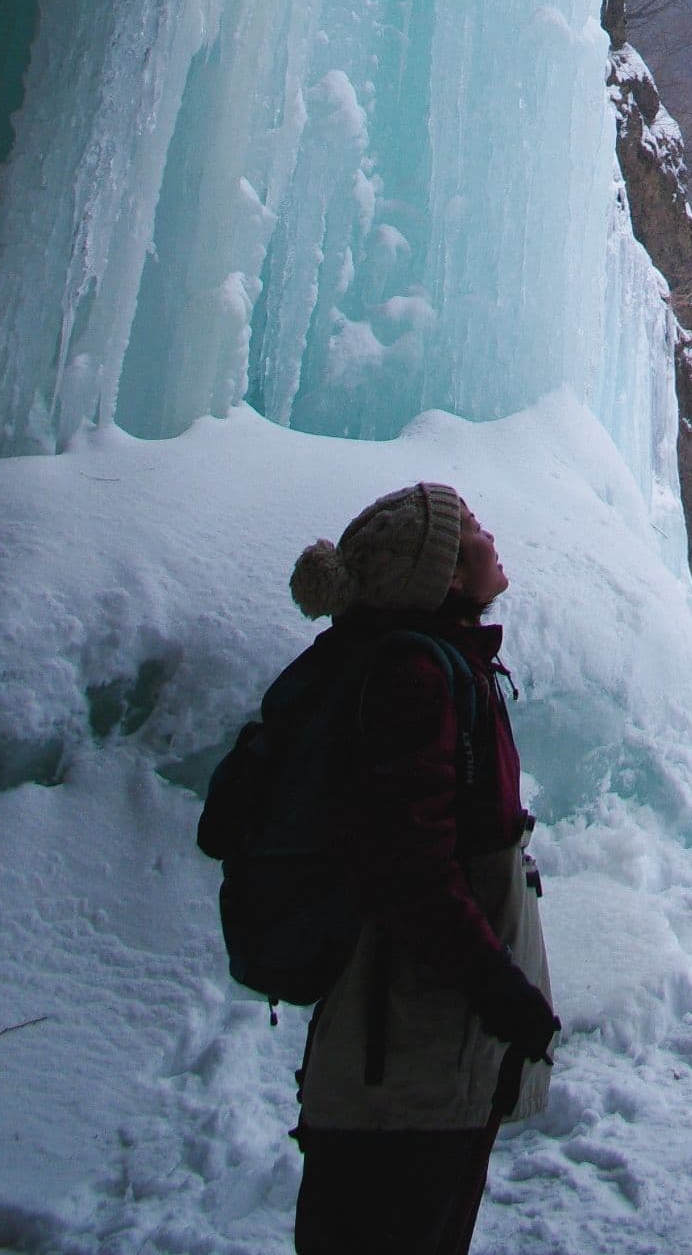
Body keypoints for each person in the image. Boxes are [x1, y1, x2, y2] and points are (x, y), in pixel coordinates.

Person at [285, 482, 559, 1255]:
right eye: (469, 528)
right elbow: (409, 868)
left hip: (409, 1056)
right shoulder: (418, 677)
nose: (489, 534)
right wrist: (500, 991)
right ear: (439, 573)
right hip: (406, 1060)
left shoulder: (434, 664)